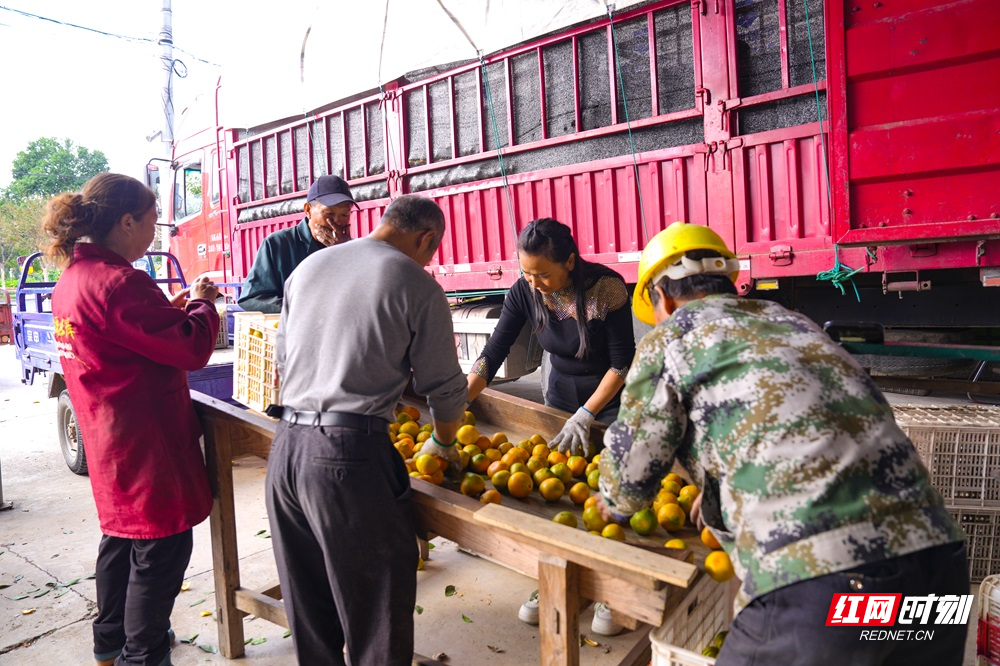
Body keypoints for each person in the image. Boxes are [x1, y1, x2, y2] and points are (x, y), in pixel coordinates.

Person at [599, 222, 970, 665]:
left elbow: (630, 477)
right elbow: (797, 426)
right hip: (939, 574)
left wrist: (615, 503)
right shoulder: (793, 323)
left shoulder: (673, 336)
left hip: (828, 585)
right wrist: (718, 492)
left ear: (662, 297)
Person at [265, 195, 468, 665]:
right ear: (427, 238)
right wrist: (442, 440)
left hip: (287, 449)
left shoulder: (310, 268)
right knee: (377, 604)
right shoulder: (416, 283)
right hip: (346, 459)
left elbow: (284, 362)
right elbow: (444, 385)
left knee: (310, 603)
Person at [43, 173, 221, 666]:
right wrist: (205, 304)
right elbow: (189, 348)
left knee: (121, 542)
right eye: (151, 221)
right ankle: (142, 655)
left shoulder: (74, 280)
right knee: (159, 553)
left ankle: (109, 644)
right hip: (147, 447)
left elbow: (125, 334)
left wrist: (175, 308)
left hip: (109, 439)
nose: (154, 230)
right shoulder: (121, 282)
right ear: (126, 222)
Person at [464, 217, 636, 633]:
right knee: (558, 490)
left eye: (543, 273)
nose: (534, 282)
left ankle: (610, 590)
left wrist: (588, 414)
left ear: (571, 262)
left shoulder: (606, 288)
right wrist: (459, 402)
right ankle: (559, 579)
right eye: (526, 272)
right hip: (559, 389)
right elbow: (494, 352)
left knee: (607, 488)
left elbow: (621, 362)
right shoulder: (524, 291)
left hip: (605, 395)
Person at [237, 174, 356, 312]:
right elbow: (251, 299)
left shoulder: (351, 249)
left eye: (344, 215)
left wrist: (346, 255)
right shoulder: (277, 244)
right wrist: (304, 309)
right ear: (308, 210)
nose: (338, 222)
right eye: (328, 214)